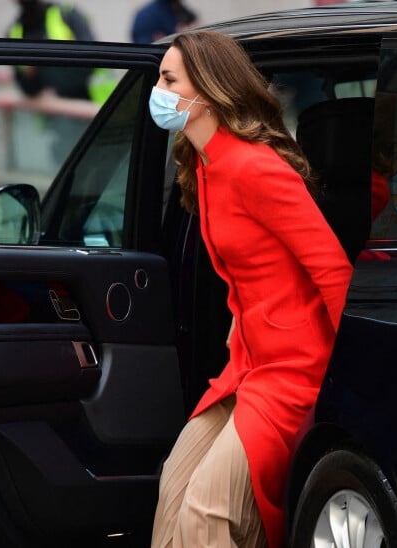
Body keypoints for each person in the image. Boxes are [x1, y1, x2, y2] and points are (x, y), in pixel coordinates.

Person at [148, 30, 353, 547]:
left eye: (169, 80)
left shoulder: (254, 167)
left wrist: (353, 372)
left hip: (292, 368)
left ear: (208, 90)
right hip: (248, 366)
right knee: (173, 486)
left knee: (207, 513)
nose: (159, 90)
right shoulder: (204, 168)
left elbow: (331, 269)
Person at [2, 0, 97, 100]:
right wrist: (32, 74)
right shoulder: (13, 32)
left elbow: (92, 58)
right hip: (50, 113)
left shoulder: (67, 14)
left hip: (88, 102)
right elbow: (25, 86)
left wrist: (43, 71)